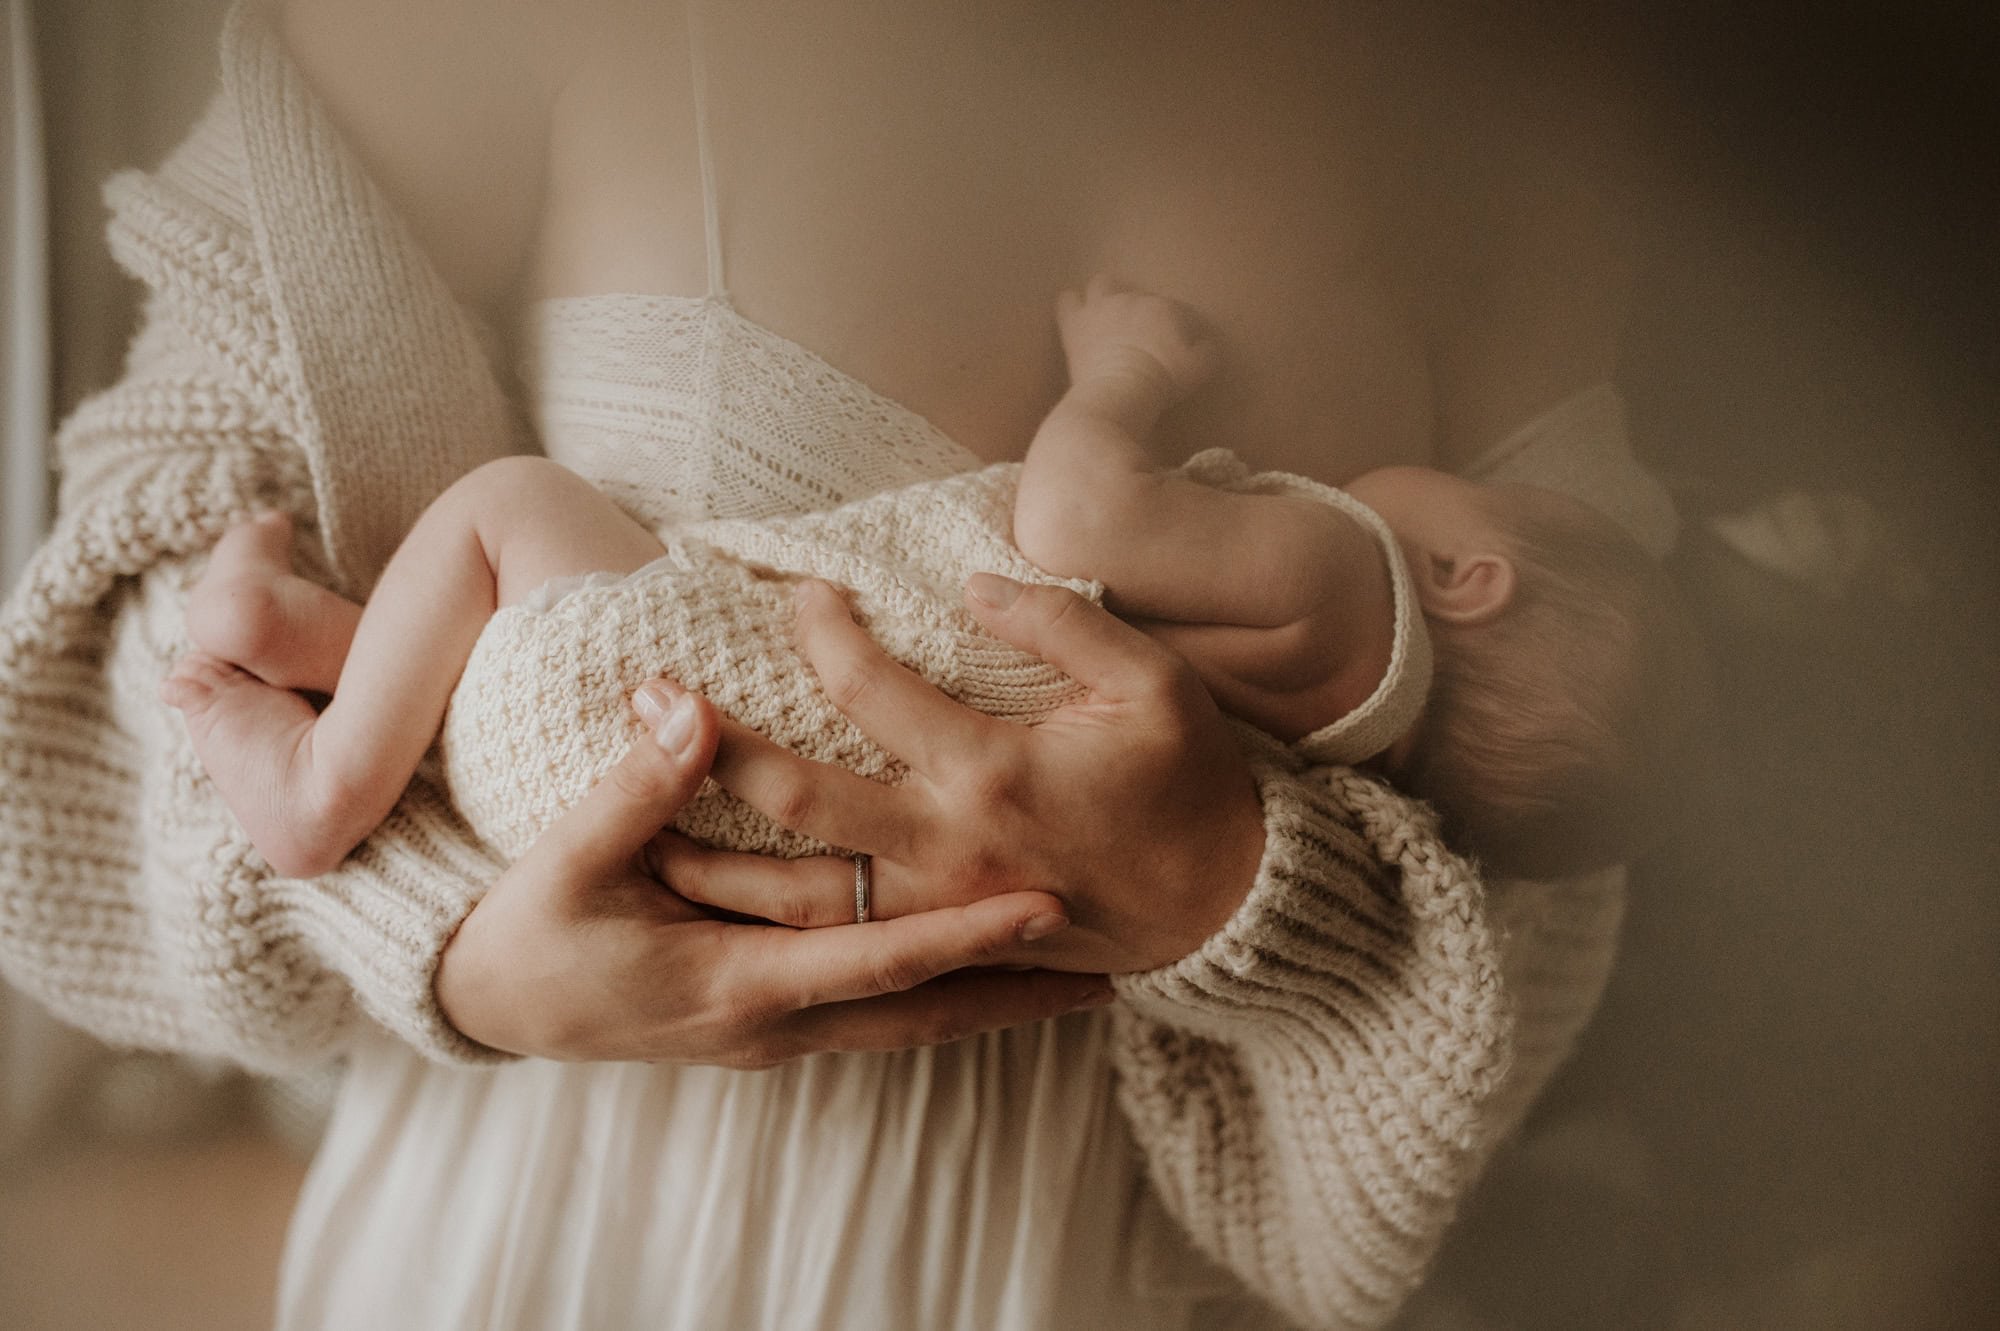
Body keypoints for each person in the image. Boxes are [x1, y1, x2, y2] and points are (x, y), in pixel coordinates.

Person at [0, 3, 1684, 1327]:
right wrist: (447, 945)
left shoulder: (1518, 106)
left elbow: (1572, 803)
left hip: (1105, 1263)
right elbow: (103, 664)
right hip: (568, 1219)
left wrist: (1246, 897)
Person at [165, 275, 1693, 895]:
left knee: (512, 511)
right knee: (547, 607)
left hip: (662, 716)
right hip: (686, 814)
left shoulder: (1347, 576)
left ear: (1472, 576)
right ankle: (310, 640)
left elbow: (1074, 510)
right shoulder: (1343, 753)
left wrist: (1128, 376)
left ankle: (323, 772)